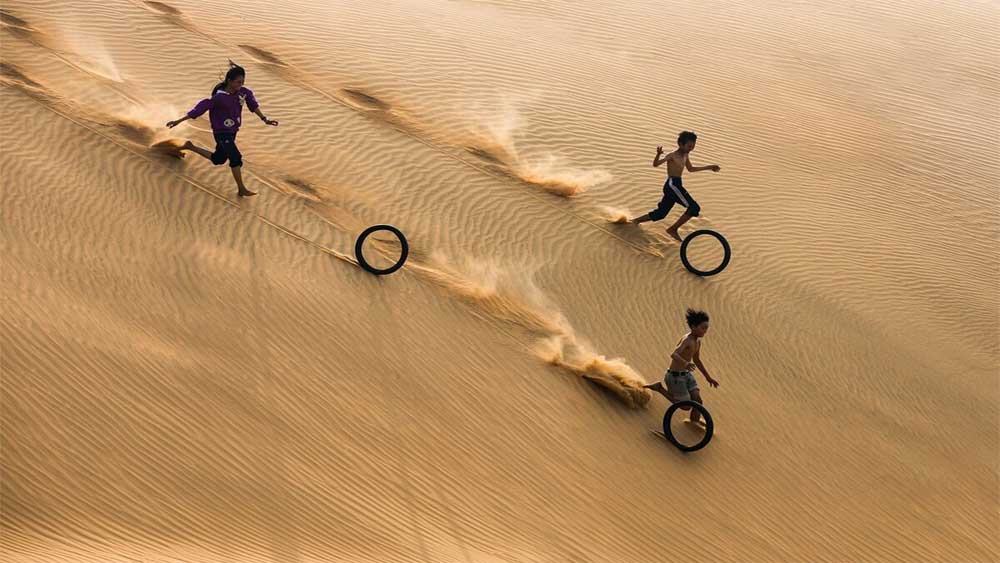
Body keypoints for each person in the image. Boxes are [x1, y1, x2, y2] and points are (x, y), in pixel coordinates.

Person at [166, 62, 279, 197]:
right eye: (238, 82)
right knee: (235, 157)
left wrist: (265, 119)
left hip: (232, 132)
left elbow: (253, 105)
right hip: (221, 132)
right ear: (229, 81)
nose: (240, 85)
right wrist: (178, 121)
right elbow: (199, 110)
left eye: (242, 82)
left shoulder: (243, 92)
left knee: (218, 159)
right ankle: (241, 189)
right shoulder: (219, 97)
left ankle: (189, 146)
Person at [630, 131, 720, 241]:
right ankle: (672, 229)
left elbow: (691, 169)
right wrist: (658, 154)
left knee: (660, 214)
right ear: (681, 144)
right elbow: (656, 164)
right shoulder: (672, 155)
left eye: (693, 146)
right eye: (689, 146)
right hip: (672, 185)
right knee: (694, 208)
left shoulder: (685, 155)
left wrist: (709, 167)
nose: (691, 148)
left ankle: (635, 221)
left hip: (675, 185)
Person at [643, 308, 720, 427]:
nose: (705, 331)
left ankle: (693, 422)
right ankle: (659, 388)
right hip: (675, 377)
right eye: (703, 328)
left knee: (698, 401)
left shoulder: (698, 342)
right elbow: (674, 354)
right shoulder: (687, 340)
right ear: (693, 327)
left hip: (686, 375)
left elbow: (697, 360)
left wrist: (708, 377)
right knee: (685, 406)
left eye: (706, 328)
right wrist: (686, 363)